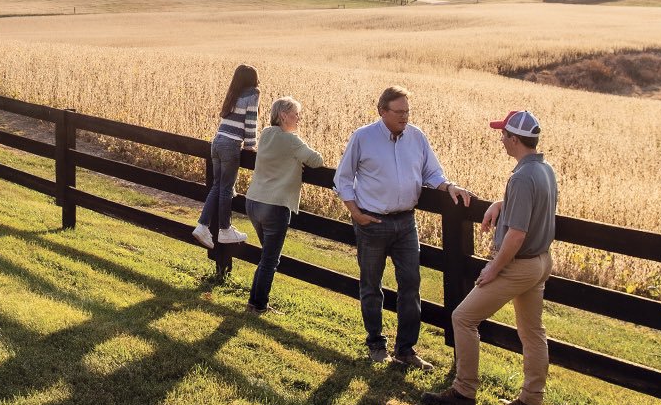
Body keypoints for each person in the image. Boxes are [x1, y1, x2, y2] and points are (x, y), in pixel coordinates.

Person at [421, 110, 557, 405]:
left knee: (463, 318)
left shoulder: (522, 177)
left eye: (504, 135)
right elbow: (532, 207)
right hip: (540, 263)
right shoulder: (544, 169)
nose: (500, 140)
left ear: (515, 139)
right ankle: (531, 401)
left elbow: (517, 234)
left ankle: (464, 391)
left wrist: (493, 268)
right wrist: (503, 203)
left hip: (517, 265)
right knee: (533, 332)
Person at [334, 86, 475, 367]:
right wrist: (356, 213)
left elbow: (432, 172)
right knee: (371, 285)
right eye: (398, 112)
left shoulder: (417, 137)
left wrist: (448, 186)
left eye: (407, 111)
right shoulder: (363, 137)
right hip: (372, 222)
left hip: (406, 222)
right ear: (382, 111)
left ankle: (406, 350)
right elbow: (343, 178)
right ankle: (376, 343)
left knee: (411, 285)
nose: (404, 117)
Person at [243, 97, 324, 314]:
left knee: (267, 256)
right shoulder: (291, 141)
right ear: (283, 115)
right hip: (275, 205)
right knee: (270, 259)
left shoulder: (266, 134)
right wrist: (298, 158)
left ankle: (255, 302)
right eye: (296, 114)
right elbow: (317, 160)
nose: (299, 118)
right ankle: (258, 305)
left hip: (253, 202)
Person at [193, 65, 260, 249]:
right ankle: (225, 229)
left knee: (217, 186)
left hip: (217, 142)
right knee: (225, 189)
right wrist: (250, 146)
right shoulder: (253, 94)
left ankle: (202, 226)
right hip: (231, 145)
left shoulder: (233, 93)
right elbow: (251, 121)